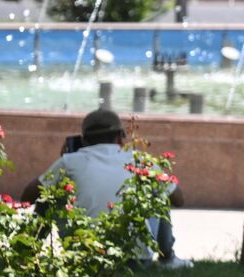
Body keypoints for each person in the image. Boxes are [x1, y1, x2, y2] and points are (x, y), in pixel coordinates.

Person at [22, 109, 192, 268]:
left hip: (83, 257)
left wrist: (63, 170)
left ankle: (27, 254)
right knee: (160, 193)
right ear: (120, 137)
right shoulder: (140, 161)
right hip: (135, 260)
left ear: (84, 140)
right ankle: (168, 258)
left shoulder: (70, 162)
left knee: (48, 195)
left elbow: (26, 197)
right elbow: (179, 199)